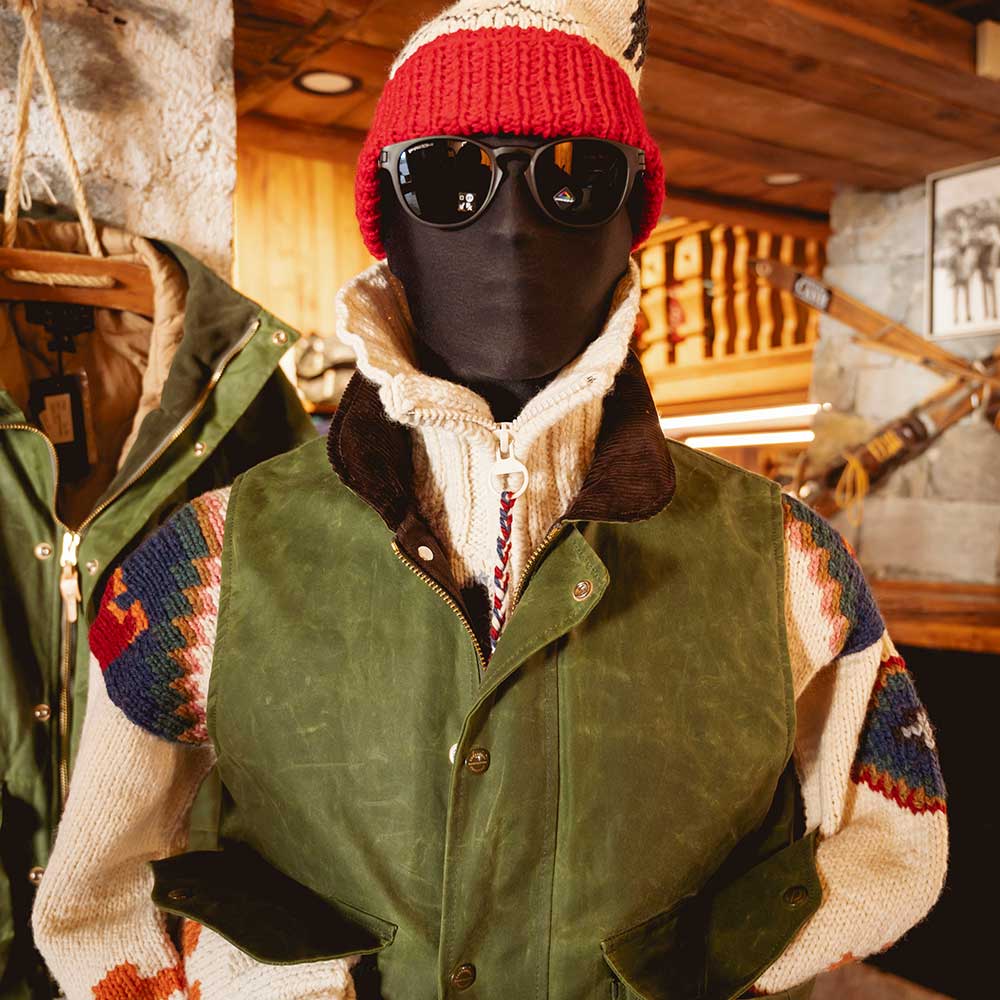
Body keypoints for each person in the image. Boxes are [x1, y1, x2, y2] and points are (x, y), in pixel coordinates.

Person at [33, 3, 947, 999]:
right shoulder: (211, 560)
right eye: (448, 176)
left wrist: (725, 971)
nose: (511, 224)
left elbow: (894, 834)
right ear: (388, 219)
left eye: (574, 177)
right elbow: (98, 898)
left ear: (631, 219)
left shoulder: (786, 559)